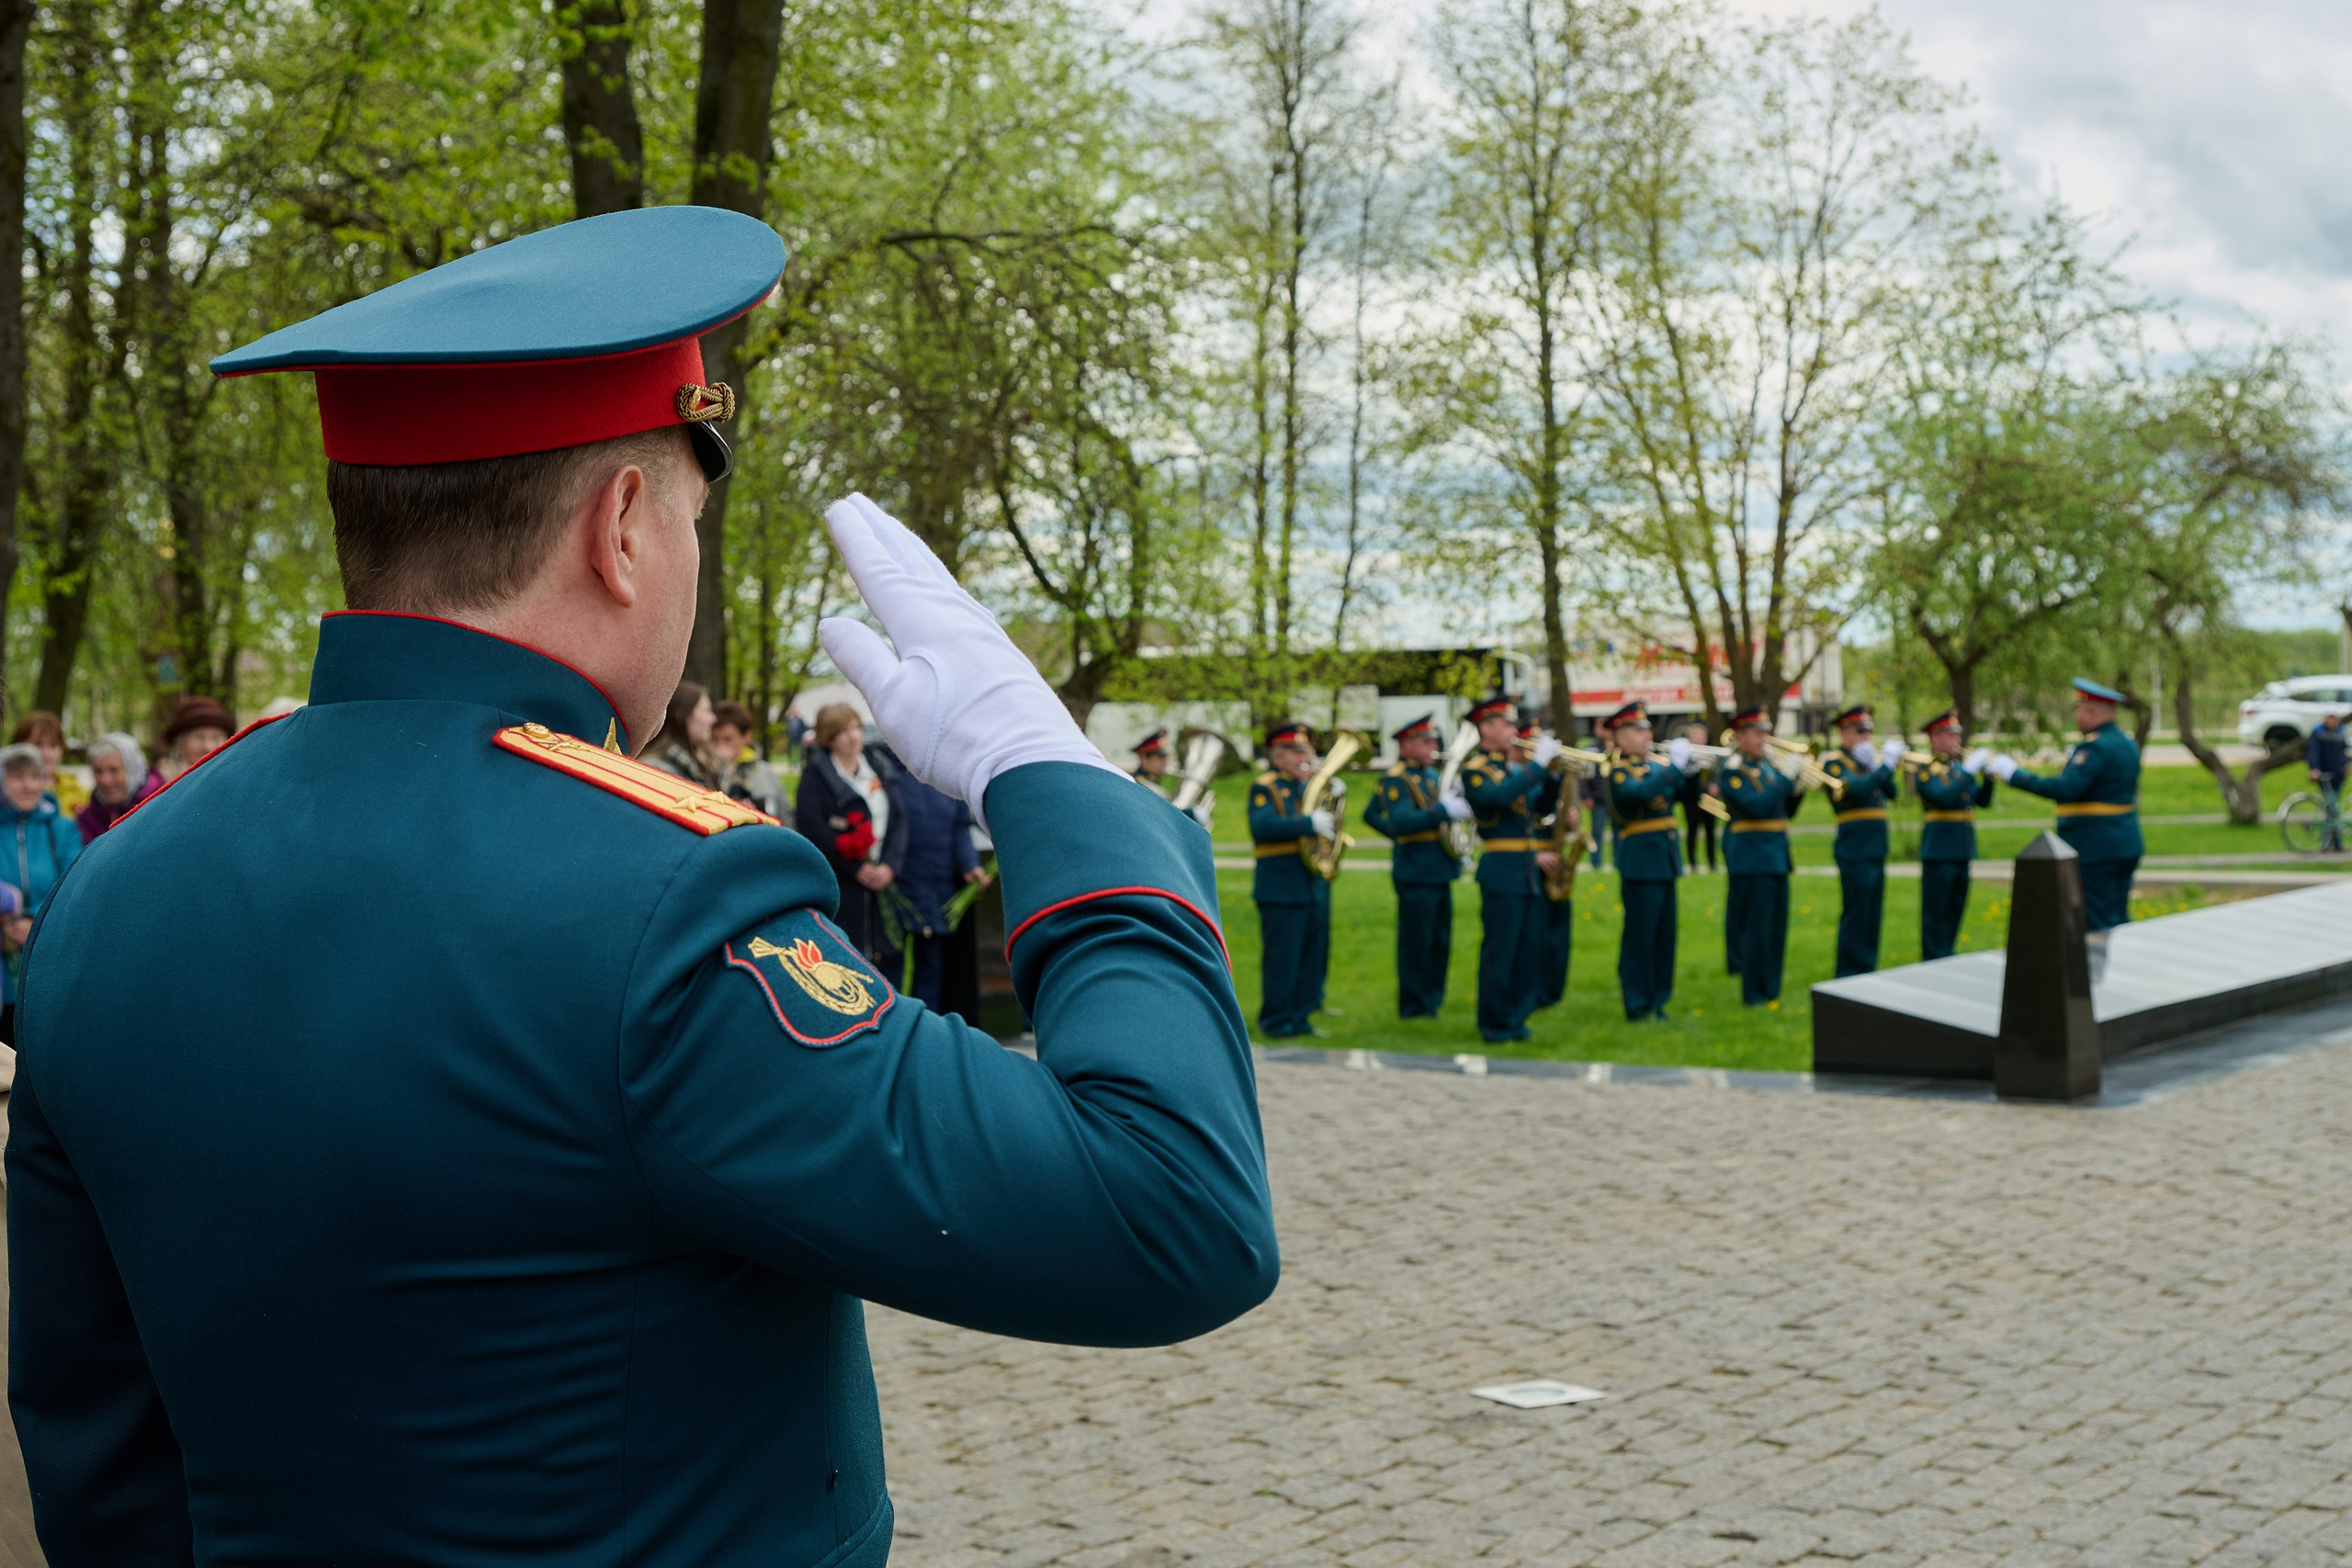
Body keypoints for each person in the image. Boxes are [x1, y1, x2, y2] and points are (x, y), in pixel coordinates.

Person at [7, 207, 1275, 1567]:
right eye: (688, 516)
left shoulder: (121, 882)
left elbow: (97, 1436)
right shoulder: (664, 901)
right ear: (621, 528)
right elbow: (1168, 1205)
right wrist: (1056, 783)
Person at [1988, 677, 2143, 931]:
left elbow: (2066, 789)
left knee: (2096, 925)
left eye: (2078, 709)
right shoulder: (2127, 743)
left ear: (2092, 711)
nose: (2076, 716)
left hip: (2096, 848)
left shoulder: (2095, 749)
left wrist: (2014, 775)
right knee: (2118, 920)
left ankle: (2097, 971)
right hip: (2123, 843)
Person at [1458, 697, 1561, 1042]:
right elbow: (1500, 798)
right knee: (1501, 950)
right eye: (1505, 724)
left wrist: (1554, 775)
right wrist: (1537, 767)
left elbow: (1539, 808)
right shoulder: (1475, 770)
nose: (1514, 731)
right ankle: (1494, 1021)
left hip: (1525, 869)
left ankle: (1516, 1016)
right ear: (1485, 728)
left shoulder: (1513, 770)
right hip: (1502, 868)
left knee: (1527, 947)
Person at [1361, 712, 1469, 1019]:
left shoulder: (1433, 775)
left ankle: (1433, 999)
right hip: (1416, 870)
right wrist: (1403, 834)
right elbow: (1401, 820)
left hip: (1439, 868)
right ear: (1405, 745)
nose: (1432, 746)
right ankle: (1413, 1005)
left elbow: (1371, 815)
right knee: (1417, 943)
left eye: (1433, 740)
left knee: (1438, 940)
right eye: (1425, 741)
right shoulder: (1397, 777)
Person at [796, 703, 909, 970]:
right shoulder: (815, 776)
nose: (853, 736)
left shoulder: (877, 766)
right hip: (844, 882)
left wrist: (890, 866)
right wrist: (856, 868)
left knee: (889, 956)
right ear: (829, 738)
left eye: (856, 727)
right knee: (850, 956)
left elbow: (899, 819)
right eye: (843, 731)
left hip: (883, 878)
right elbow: (813, 828)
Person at [1600, 703, 1685, 1021]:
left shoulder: (1654, 765)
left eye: (1647, 729)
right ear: (1620, 737)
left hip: (1663, 859)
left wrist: (1685, 772)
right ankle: (1636, 1003)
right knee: (1641, 936)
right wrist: (1674, 768)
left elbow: (1679, 795)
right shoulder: (1617, 769)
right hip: (1639, 861)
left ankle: (1658, 999)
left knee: (1664, 937)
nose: (1647, 735)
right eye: (1638, 730)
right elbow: (1638, 794)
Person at [1714, 705, 1803, 1007]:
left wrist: (1797, 788)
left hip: (1776, 856)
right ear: (1739, 735)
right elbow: (1757, 805)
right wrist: (1787, 780)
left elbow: (1783, 810)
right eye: (1757, 732)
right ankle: (1753, 993)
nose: (1764, 738)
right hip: (1753, 859)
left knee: (1777, 929)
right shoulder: (1733, 770)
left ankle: (1771, 988)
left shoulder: (1765, 766)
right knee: (1757, 930)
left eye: (1766, 731)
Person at [1248, 721, 1331, 1038]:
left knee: (1310, 958)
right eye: (1297, 752)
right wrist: (1308, 822)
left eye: (1306, 751)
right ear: (1278, 755)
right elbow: (1263, 825)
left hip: (1309, 886)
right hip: (1280, 888)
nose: (1304, 758)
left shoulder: (1308, 787)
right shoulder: (1265, 786)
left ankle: (1301, 1017)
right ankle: (1276, 1020)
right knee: (1283, 959)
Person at [0, 742, 79, 1044]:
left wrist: (30, 919)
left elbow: (72, 884)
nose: (29, 785)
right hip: (4, 973)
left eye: (36, 776)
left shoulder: (61, 829)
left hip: (47, 961)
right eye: (18, 776)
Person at [1816, 703, 1904, 977]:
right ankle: (1849, 971)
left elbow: (1892, 791)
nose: (1866, 737)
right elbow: (1856, 789)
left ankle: (1868, 967)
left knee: (1872, 915)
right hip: (1854, 847)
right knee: (1856, 913)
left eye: (1869, 731)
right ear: (1844, 732)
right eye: (1860, 731)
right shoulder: (1834, 763)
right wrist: (1882, 767)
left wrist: (1878, 765)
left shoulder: (1868, 762)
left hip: (1875, 846)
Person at [892, 768, 989, 1011]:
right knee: (895, 965)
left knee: (931, 965)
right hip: (897, 888)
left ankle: (927, 1031)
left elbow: (961, 828)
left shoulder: (946, 779)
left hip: (937, 887)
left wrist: (969, 865)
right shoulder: (889, 776)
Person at [1912, 709, 1996, 960]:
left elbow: (1982, 801)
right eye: (1950, 735)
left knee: (1955, 908)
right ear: (1935, 738)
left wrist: (1989, 778)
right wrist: (1969, 772)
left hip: (1962, 847)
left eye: (1957, 734)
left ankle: (1947, 953)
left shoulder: (1959, 768)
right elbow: (1941, 796)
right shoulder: (1925, 768)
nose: (1956, 740)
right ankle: (1932, 958)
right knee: (1935, 912)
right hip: (1939, 849)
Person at [1517, 718, 1577, 1007]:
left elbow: (1546, 809)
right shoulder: (1516, 776)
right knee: (1535, 933)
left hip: (1554, 853)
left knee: (1557, 930)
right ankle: (1535, 990)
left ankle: (1552, 990)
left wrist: (1567, 818)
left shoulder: (1539, 775)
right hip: (1532, 857)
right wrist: (1532, 856)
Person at [74, 732, 159, 843]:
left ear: (133, 770)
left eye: (113, 770)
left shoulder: (158, 809)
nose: (105, 780)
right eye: (98, 771)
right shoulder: (87, 820)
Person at [711, 699, 786, 818]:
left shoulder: (764, 771)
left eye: (728, 739)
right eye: (715, 739)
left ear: (746, 737)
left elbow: (784, 814)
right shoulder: (707, 773)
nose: (720, 746)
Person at [11, 711, 87, 813]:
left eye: (53, 745)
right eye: (38, 744)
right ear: (19, 747)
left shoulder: (79, 792)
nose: (47, 754)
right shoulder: (8, 792)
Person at [650, 679, 721, 787]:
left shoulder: (697, 763)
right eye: (706, 711)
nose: (713, 719)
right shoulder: (659, 770)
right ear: (682, 716)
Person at [157, 694, 234, 784]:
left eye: (216, 737)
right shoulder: (160, 783)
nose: (208, 747)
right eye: (199, 737)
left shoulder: (235, 779)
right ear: (180, 743)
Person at [1676, 720, 1717, 874]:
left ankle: (1712, 862)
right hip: (1692, 799)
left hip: (1709, 798)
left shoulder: (1711, 754)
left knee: (1710, 831)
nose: (1700, 739)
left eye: (1702, 736)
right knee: (1692, 831)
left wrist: (1714, 785)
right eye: (1697, 736)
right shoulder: (1686, 756)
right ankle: (1692, 862)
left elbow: (1716, 774)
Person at [2309, 711, 2346, 851]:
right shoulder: (2318, 732)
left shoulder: (2340, 732)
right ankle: (2327, 843)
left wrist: (2346, 763)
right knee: (2331, 808)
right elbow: (2313, 752)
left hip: (2338, 776)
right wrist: (2314, 768)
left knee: (2333, 809)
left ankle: (2335, 843)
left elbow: (2343, 751)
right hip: (2324, 776)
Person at [1131, 728, 1172, 793]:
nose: (1165, 762)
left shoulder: (1152, 784)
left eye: (1165, 757)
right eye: (1161, 757)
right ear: (1144, 759)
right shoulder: (1140, 786)